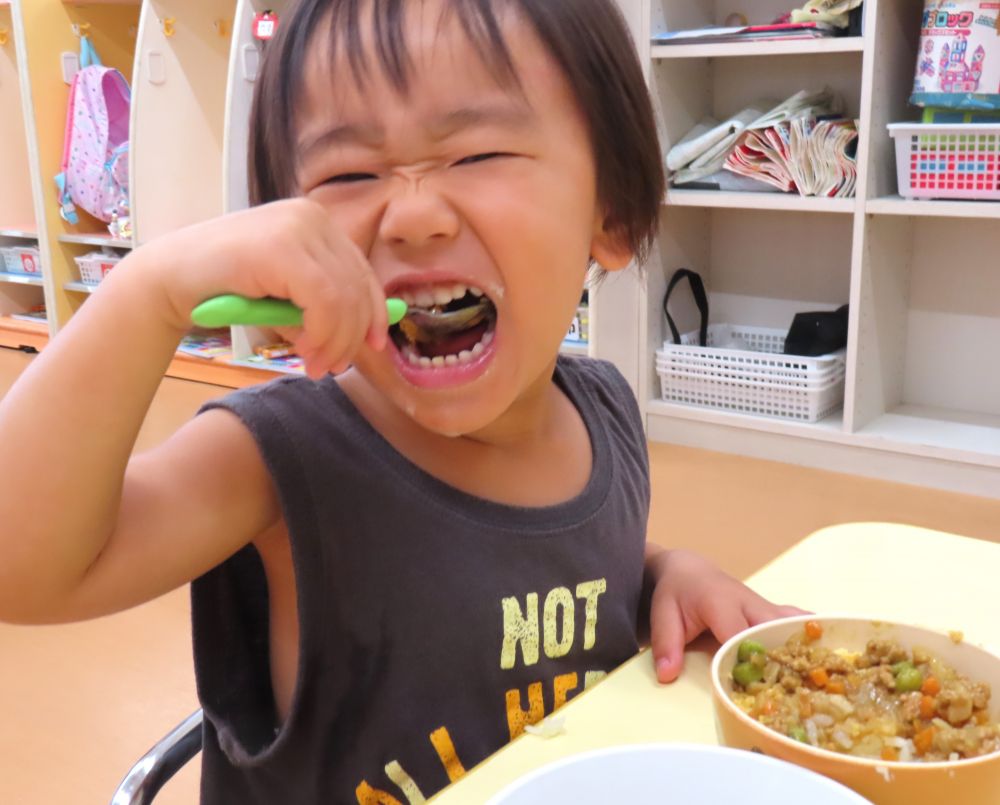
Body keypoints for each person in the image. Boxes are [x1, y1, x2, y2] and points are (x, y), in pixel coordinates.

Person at [0, 0, 801, 801]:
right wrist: (147, 295)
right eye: (348, 174)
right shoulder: (282, 460)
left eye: (480, 153)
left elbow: (565, 560)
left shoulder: (606, 412)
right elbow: (21, 566)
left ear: (611, 215)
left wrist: (665, 571)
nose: (414, 216)